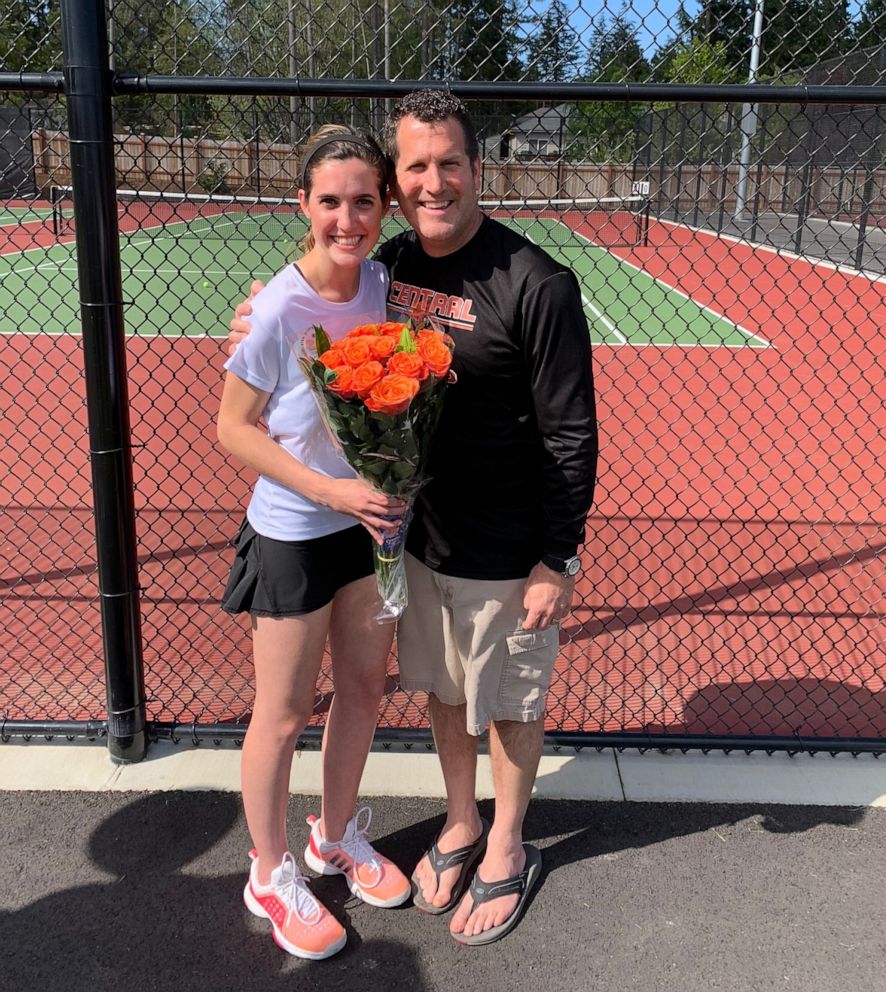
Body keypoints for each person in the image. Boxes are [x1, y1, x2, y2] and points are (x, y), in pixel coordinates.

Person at [229, 91, 598, 946]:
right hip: (411, 539)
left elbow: (570, 434)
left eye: (449, 164)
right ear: (400, 183)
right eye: (416, 167)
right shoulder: (389, 270)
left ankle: (506, 845)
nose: (434, 182)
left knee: (506, 702)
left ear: (476, 171)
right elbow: (310, 299)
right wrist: (263, 311)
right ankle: (459, 823)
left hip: (507, 548)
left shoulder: (535, 282)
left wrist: (557, 559)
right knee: (437, 692)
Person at [217, 124, 412, 961]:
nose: (346, 218)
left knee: (364, 692)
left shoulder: (387, 285)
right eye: (329, 201)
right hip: (295, 532)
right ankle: (268, 871)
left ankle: (333, 835)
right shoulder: (277, 306)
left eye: (363, 201)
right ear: (304, 205)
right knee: (286, 711)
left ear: (385, 206)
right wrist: (330, 488)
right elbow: (234, 427)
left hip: (366, 535)